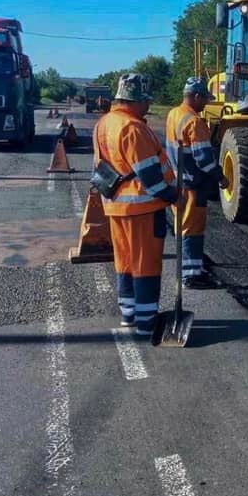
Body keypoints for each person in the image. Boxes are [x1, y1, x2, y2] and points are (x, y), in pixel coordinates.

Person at [94, 74, 180, 335]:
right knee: (146, 263)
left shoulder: (105, 123)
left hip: (116, 206)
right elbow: (149, 174)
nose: (148, 106)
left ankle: (128, 313)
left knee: (125, 261)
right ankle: (146, 321)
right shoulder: (133, 128)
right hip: (142, 207)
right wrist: (172, 194)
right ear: (136, 100)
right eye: (145, 101)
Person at [165, 77, 228, 289]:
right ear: (197, 96)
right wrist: (221, 177)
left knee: (181, 226)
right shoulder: (194, 122)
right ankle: (190, 276)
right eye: (205, 100)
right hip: (192, 185)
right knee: (192, 229)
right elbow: (204, 159)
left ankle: (188, 269)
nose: (206, 105)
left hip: (177, 181)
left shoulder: (174, 114)